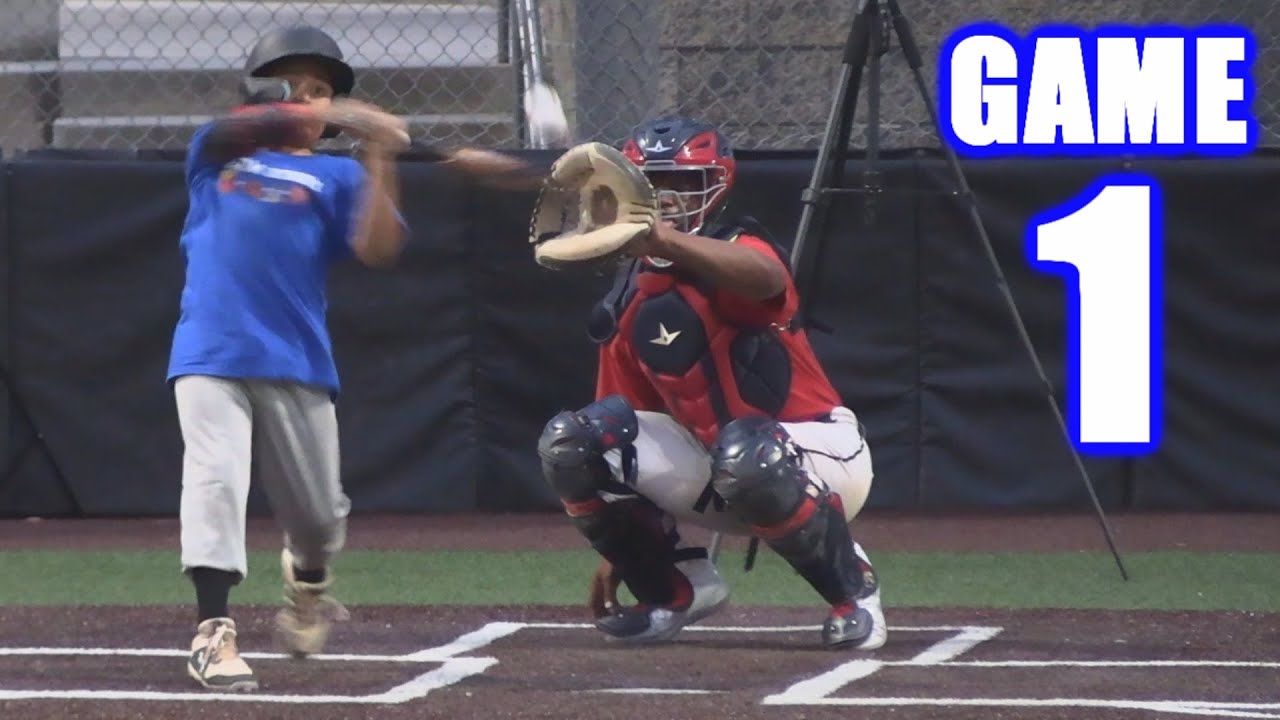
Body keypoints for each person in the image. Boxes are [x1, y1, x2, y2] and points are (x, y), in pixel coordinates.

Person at [537, 116, 887, 650]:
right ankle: (677, 587)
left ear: (717, 185)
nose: (667, 197)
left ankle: (854, 592)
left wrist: (664, 240)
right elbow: (624, 418)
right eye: (653, 183)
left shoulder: (738, 245)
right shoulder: (628, 294)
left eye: (683, 182)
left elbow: (768, 279)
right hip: (719, 465)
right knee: (573, 442)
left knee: (746, 451)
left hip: (821, 452)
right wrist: (626, 551)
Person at [168, 25, 412, 691]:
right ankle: (213, 631)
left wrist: (381, 154)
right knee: (214, 480)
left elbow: (378, 249)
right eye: (291, 85)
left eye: (320, 88)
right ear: (259, 91)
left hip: (297, 358)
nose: (306, 98)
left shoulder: (336, 173)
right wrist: (344, 113)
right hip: (212, 347)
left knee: (318, 518)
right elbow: (252, 122)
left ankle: (307, 580)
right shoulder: (217, 151)